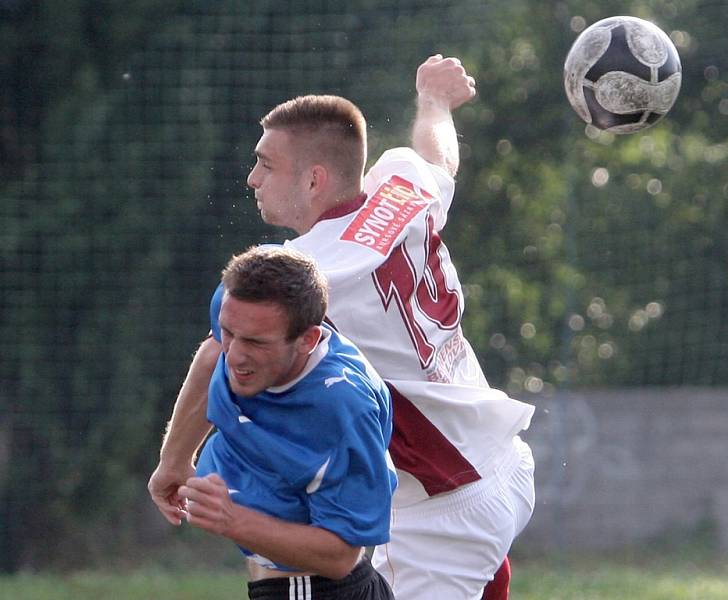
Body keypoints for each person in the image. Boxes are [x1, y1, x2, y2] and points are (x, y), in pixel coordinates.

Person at [149, 55, 535, 600]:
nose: (251, 177)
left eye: (266, 164)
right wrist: (434, 100)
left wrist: (172, 461)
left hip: (441, 506)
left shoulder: (301, 276)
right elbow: (438, 156)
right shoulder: (400, 189)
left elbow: (216, 354)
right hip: (497, 458)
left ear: (314, 178)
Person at [173, 245, 396, 599]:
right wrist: (173, 463)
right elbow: (212, 352)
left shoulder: (343, 409)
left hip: (320, 591)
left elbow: (340, 555)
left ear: (307, 339)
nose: (235, 354)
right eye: (229, 332)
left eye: (255, 343)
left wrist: (232, 519)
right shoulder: (243, 303)